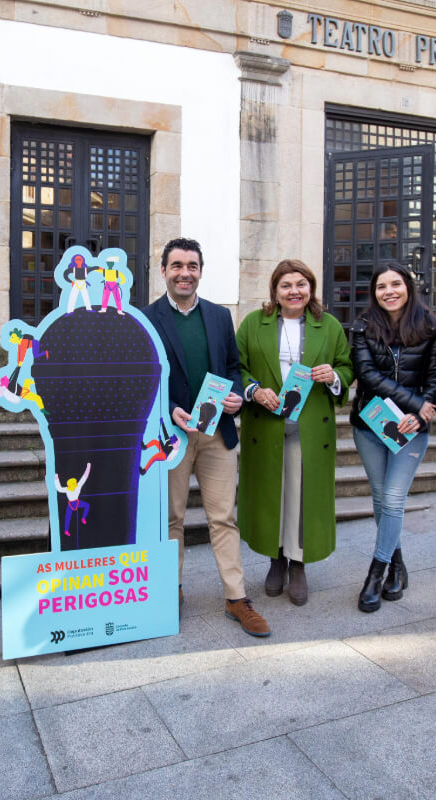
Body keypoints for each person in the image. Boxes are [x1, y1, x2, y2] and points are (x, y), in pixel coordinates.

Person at [142, 238, 269, 637]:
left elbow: (233, 365)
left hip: (217, 434)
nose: (185, 272)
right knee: (171, 519)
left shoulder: (217, 316)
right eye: (177, 265)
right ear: (163, 270)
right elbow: (141, 378)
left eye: (192, 265)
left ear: (200, 271)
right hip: (172, 436)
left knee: (223, 518)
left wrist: (235, 394)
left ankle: (236, 598)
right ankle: (169, 590)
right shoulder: (146, 319)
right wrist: (166, 411)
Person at [237, 259, 353, 606]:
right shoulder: (253, 324)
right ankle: (276, 560)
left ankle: (298, 563)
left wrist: (333, 376)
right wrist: (254, 389)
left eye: (301, 284)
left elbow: (346, 368)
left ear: (311, 289)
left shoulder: (328, 325)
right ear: (275, 290)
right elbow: (236, 366)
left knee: (301, 497)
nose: (294, 291)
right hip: (266, 426)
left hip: (309, 428)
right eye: (286, 285)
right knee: (274, 494)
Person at [349, 262, 436, 612]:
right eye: (381, 287)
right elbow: (367, 375)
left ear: (408, 286)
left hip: (411, 428)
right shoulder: (362, 326)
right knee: (380, 499)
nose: (389, 291)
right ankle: (397, 566)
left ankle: (375, 573)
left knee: (392, 499)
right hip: (370, 424)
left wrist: (423, 412)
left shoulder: (432, 327)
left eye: (396, 284)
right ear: (373, 292)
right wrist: (418, 403)